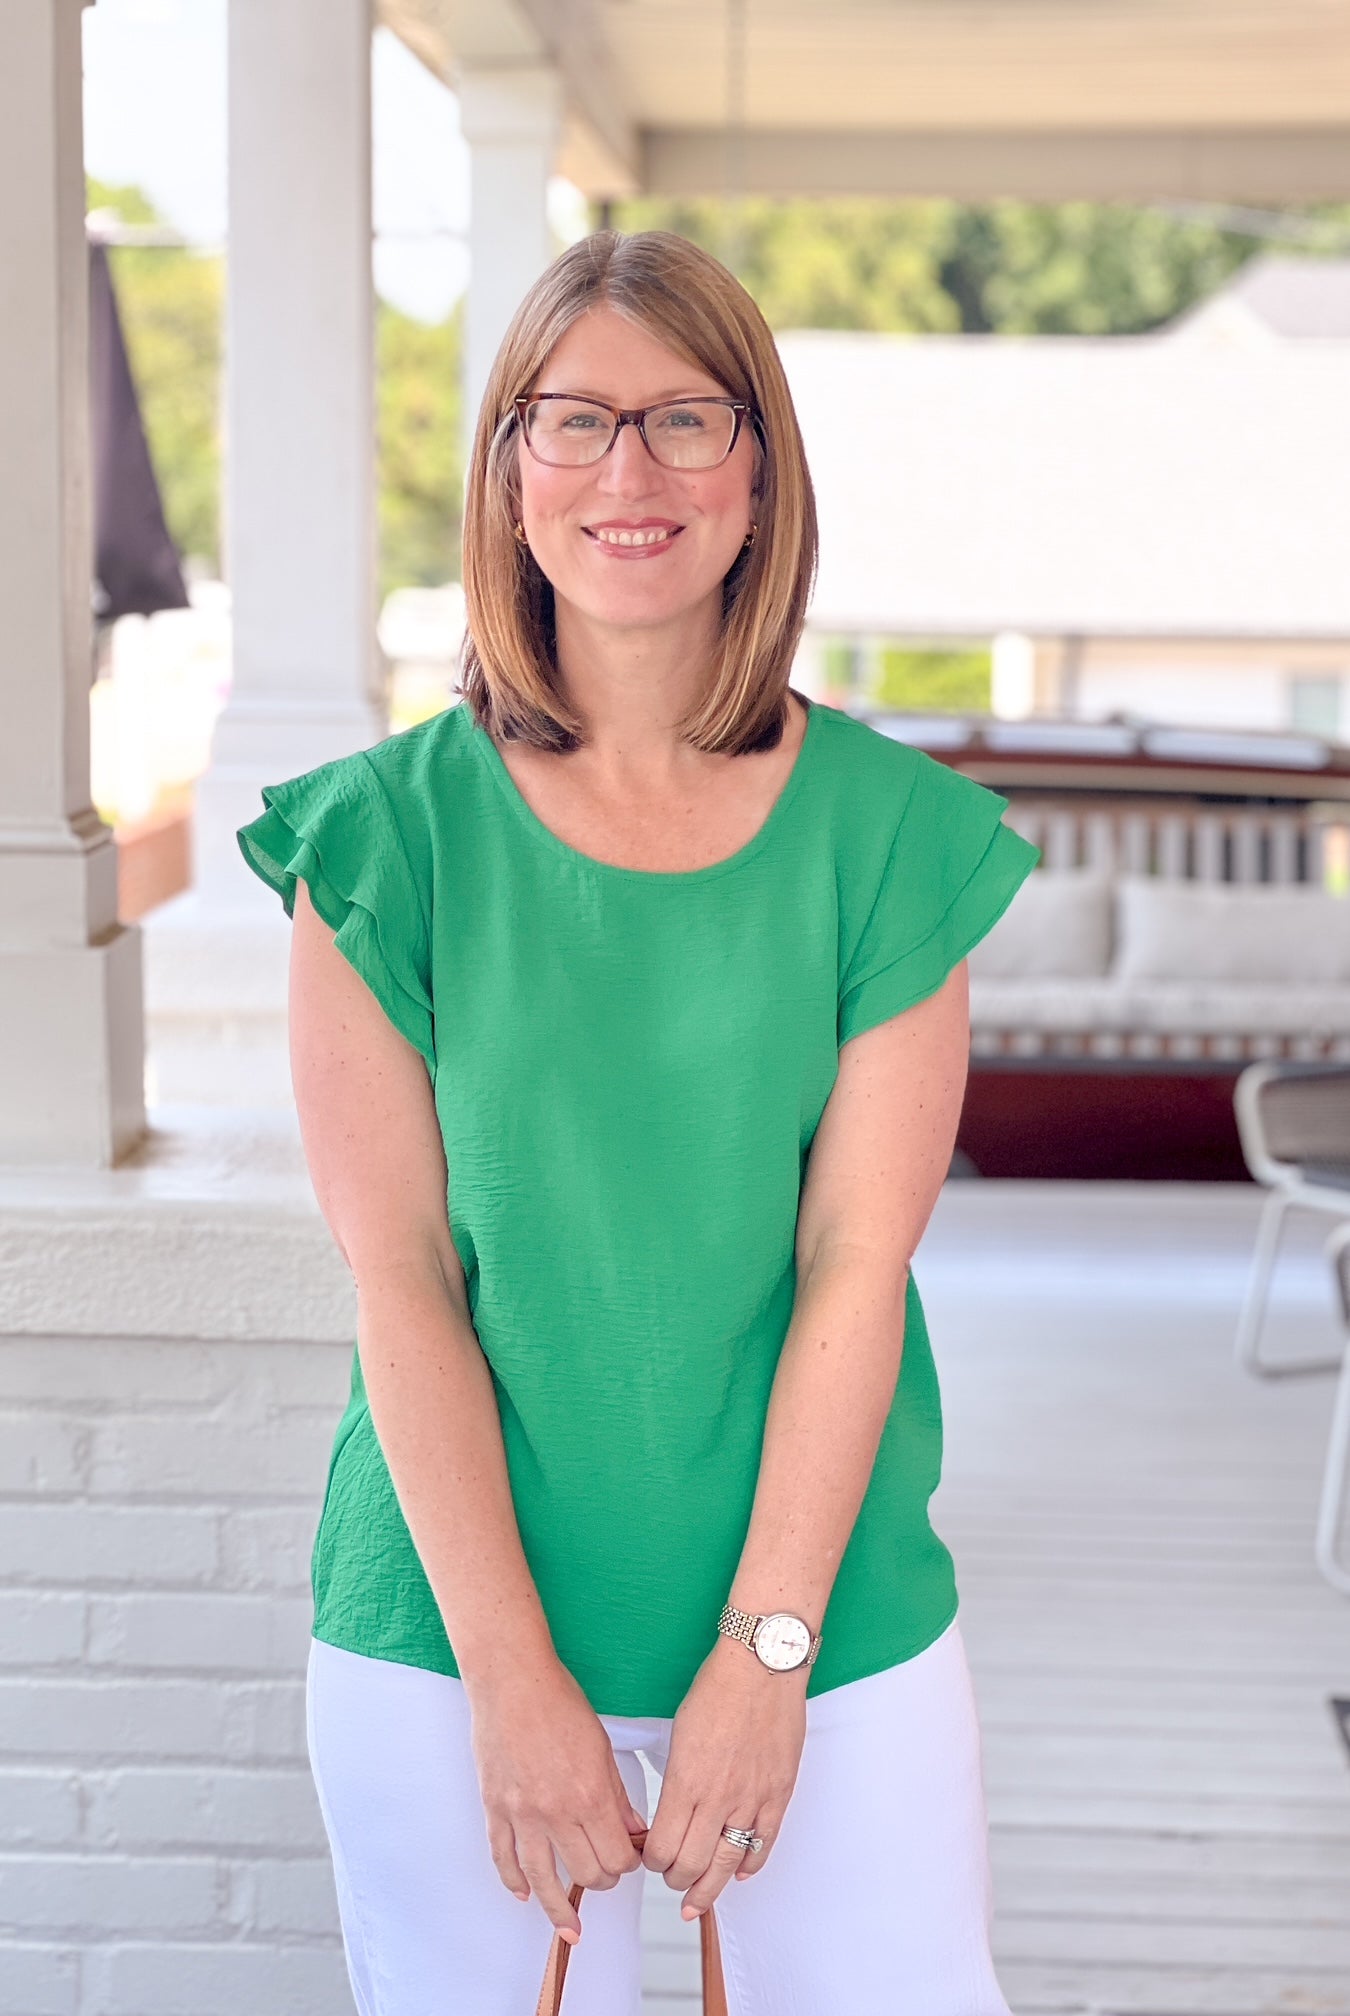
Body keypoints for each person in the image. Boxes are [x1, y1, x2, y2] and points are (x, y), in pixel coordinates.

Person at [237, 227, 1039, 2015]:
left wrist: (766, 1657)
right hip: (448, 1645)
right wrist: (514, 1688)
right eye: (573, 420)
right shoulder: (380, 841)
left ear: (760, 471)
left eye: (687, 420)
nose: (628, 473)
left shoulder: (894, 839)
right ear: (508, 470)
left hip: (833, 1639)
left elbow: (854, 1265)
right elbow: (403, 1286)